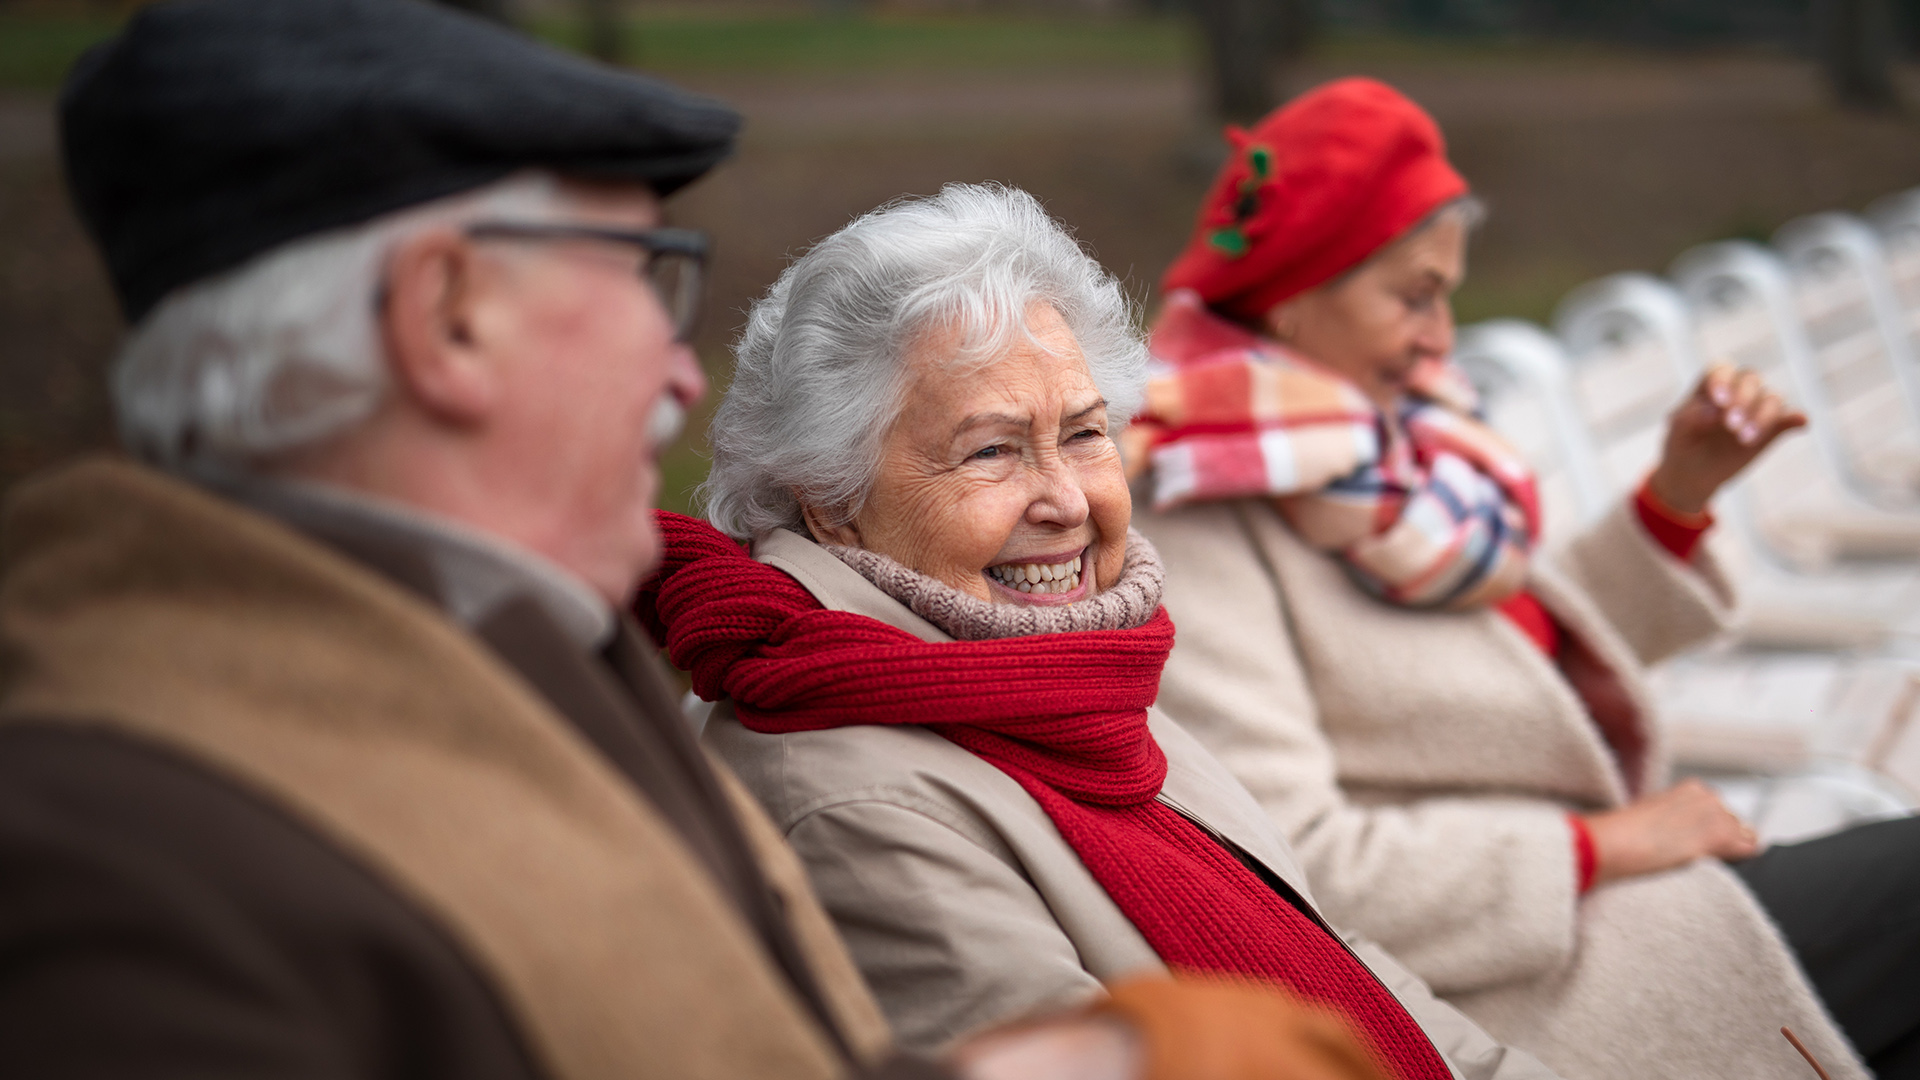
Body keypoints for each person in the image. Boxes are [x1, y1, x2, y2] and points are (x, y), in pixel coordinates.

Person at [0, 3, 1397, 1079]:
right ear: (448, 318)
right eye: (643, 280)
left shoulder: (525, 641)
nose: (680, 381)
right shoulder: (102, 848)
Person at [644, 181, 1563, 1080]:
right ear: (830, 499)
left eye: (1084, 436)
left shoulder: (1071, 678)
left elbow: (1337, 965)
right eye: (992, 451)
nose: (1067, 500)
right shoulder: (854, 800)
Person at [1133, 76, 1919, 1080]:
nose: (1440, 337)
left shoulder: (1381, 452)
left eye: (1447, 294)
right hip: (1514, 974)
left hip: (1592, 911)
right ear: (1293, 296)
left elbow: (1514, 673)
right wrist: (1600, 845)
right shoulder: (1200, 508)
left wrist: (1675, 498)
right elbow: (1298, 867)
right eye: (1412, 296)